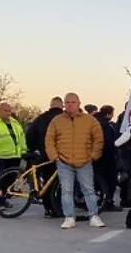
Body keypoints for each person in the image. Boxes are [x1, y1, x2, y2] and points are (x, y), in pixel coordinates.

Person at [45, 93, 105, 229]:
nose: (70, 105)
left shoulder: (90, 120)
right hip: (63, 162)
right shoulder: (56, 121)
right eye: (67, 102)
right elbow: (49, 139)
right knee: (66, 191)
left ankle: (94, 216)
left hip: (85, 161)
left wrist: (93, 156)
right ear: (64, 104)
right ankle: (69, 217)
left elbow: (98, 138)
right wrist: (54, 156)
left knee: (89, 190)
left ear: (79, 103)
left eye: (73, 102)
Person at [94, 105, 121, 211]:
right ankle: (108, 202)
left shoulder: (95, 122)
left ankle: (102, 200)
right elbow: (109, 143)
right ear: (108, 114)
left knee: (100, 180)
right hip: (107, 157)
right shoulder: (106, 126)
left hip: (97, 157)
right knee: (109, 180)